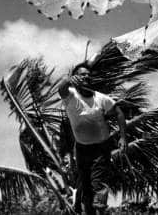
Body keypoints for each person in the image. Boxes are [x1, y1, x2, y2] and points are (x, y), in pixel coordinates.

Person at [58, 62, 127, 215]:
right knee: (87, 190)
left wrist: (123, 137)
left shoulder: (102, 99)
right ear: (76, 78)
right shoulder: (70, 96)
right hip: (81, 149)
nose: (86, 77)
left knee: (99, 186)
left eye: (88, 75)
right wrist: (69, 80)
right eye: (82, 75)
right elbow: (60, 88)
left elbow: (119, 113)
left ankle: (100, 211)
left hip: (101, 148)